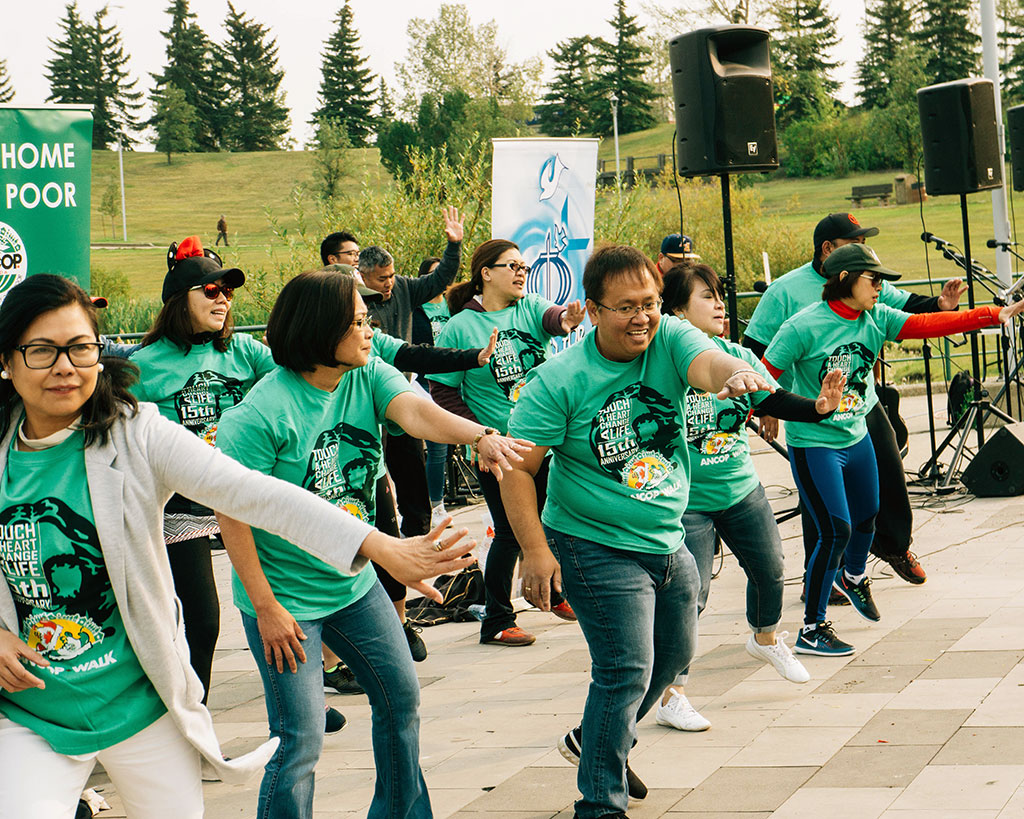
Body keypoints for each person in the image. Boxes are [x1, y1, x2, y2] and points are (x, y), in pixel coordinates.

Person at [0, 274, 475, 818]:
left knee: (396, 699)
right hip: (33, 712)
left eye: (81, 348)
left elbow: (254, 494)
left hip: (142, 704)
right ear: (7, 360)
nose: (65, 366)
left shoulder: (138, 433)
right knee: (299, 738)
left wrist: (378, 545)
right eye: (42, 351)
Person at [214, 268, 529, 819]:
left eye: (368, 320)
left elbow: (417, 412)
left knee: (401, 699)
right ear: (319, 330)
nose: (370, 331)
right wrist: (265, 608)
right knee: (300, 738)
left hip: (354, 585)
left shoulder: (366, 373)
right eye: (358, 323)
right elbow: (233, 517)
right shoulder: (258, 415)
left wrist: (480, 435)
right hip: (285, 598)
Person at [500, 244, 774, 819]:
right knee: (626, 666)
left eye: (649, 303)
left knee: (674, 655)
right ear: (593, 310)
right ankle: (600, 803)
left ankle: (598, 738)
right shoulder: (558, 380)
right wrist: (534, 550)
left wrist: (735, 372)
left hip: (666, 535)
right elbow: (519, 469)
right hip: (591, 540)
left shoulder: (669, 337)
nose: (642, 317)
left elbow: (706, 361)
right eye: (625, 307)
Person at [763, 243, 1024, 656]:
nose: (880, 287)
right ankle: (812, 629)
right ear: (846, 279)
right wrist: (773, 409)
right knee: (835, 531)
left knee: (868, 516)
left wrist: (994, 315)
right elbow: (762, 377)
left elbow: (928, 323)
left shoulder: (876, 317)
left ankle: (853, 578)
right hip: (815, 444)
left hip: (857, 435)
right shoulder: (802, 327)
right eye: (874, 280)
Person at [653, 262, 845, 732]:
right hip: (687, 501)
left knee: (770, 569)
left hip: (741, 488)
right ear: (677, 311)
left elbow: (770, 399)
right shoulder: (663, 363)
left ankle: (765, 639)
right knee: (689, 595)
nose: (721, 305)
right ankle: (671, 694)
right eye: (707, 296)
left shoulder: (736, 354)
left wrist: (819, 408)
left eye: (720, 295)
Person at [743, 212, 967, 587]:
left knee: (889, 465)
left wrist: (940, 305)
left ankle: (894, 545)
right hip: (809, 406)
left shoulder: (866, 278)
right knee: (820, 499)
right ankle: (824, 577)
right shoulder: (783, 291)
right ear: (828, 250)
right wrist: (769, 406)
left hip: (861, 400)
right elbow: (754, 349)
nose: (864, 249)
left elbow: (906, 307)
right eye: (855, 243)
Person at [129, 237, 272, 706]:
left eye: (227, 291)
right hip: (180, 506)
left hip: (238, 494)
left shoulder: (245, 351)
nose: (223, 299)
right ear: (178, 300)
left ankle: (299, 702)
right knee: (203, 620)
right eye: (211, 290)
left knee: (278, 602)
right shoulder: (142, 366)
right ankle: (193, 715)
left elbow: (293, 380)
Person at [430, 238, 586, 647]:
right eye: (512, 266)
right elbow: (443, 391)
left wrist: (567, 319)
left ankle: (555, 594)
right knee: (510, 532)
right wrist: (480, 436)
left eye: (524, 266)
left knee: (556, 522)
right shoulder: (460, 326)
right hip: (498, 449)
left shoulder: (529, 306)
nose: (521, 273)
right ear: (486, 273)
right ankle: (497, 620)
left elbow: (554, 320)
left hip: (545, 443)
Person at [360, 208, 464, 541]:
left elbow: (439, 280)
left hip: (400, 396)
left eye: (391, 275)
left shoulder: (404, 288)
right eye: (381, 278)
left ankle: (417, 532)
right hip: (364, 401)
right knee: (373, 476)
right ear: (362, 276)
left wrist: (453, 246)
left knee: (412, 473)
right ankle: (377, 538)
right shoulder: (352, 302)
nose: (389, 283)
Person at [411, 256, 454, 528]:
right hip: (425, 382)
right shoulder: (415, 308)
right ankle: (436, 505)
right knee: (437, 446)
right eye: (434, 273)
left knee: (450, 445)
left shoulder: (453, 304)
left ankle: (437, 501)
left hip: (451, 379)